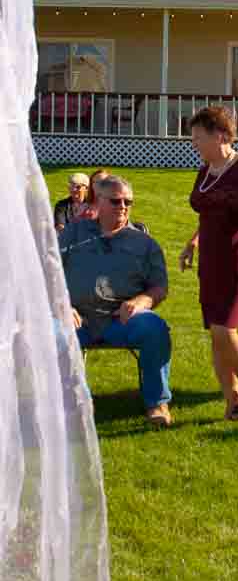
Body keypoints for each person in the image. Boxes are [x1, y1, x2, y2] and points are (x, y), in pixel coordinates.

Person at [58, 175, 172, 427]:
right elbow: (48, 271)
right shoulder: (74, 233)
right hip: (79, 318)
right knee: (54, 333)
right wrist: (62, 306)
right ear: (99, 201)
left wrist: (142, 301)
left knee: (155, 329)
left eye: (128, 202)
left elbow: (159, 287)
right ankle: (77, 403)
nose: (123, 206)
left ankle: (157, 403)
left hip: (121, 319)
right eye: (116, 201)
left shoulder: (144, 243)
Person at [180, 106, 238, 421]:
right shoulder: (206, 171)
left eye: (198, 137)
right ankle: (229, 397)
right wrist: (194, 242)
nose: (194, 144)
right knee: (215, 332)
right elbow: (210, 213)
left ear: (220, 135)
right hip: (210, 261)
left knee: (225, 329)